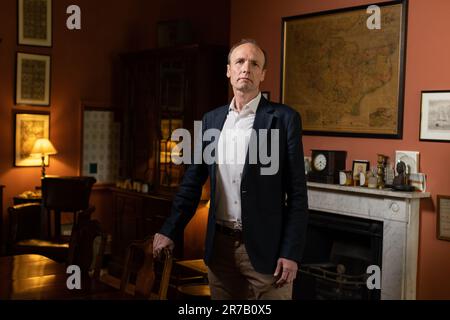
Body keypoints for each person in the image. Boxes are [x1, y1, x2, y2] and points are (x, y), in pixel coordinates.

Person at [153, 39, 309, 300]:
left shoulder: (284, 119)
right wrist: (170, 229)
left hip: (267, 251)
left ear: (263, 74)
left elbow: (297, 195)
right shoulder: (212, 120)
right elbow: (192, 183)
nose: (246, 68)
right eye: (240, 62)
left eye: (254, 64)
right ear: (229, 70)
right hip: (220, 250)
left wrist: (291, 253)